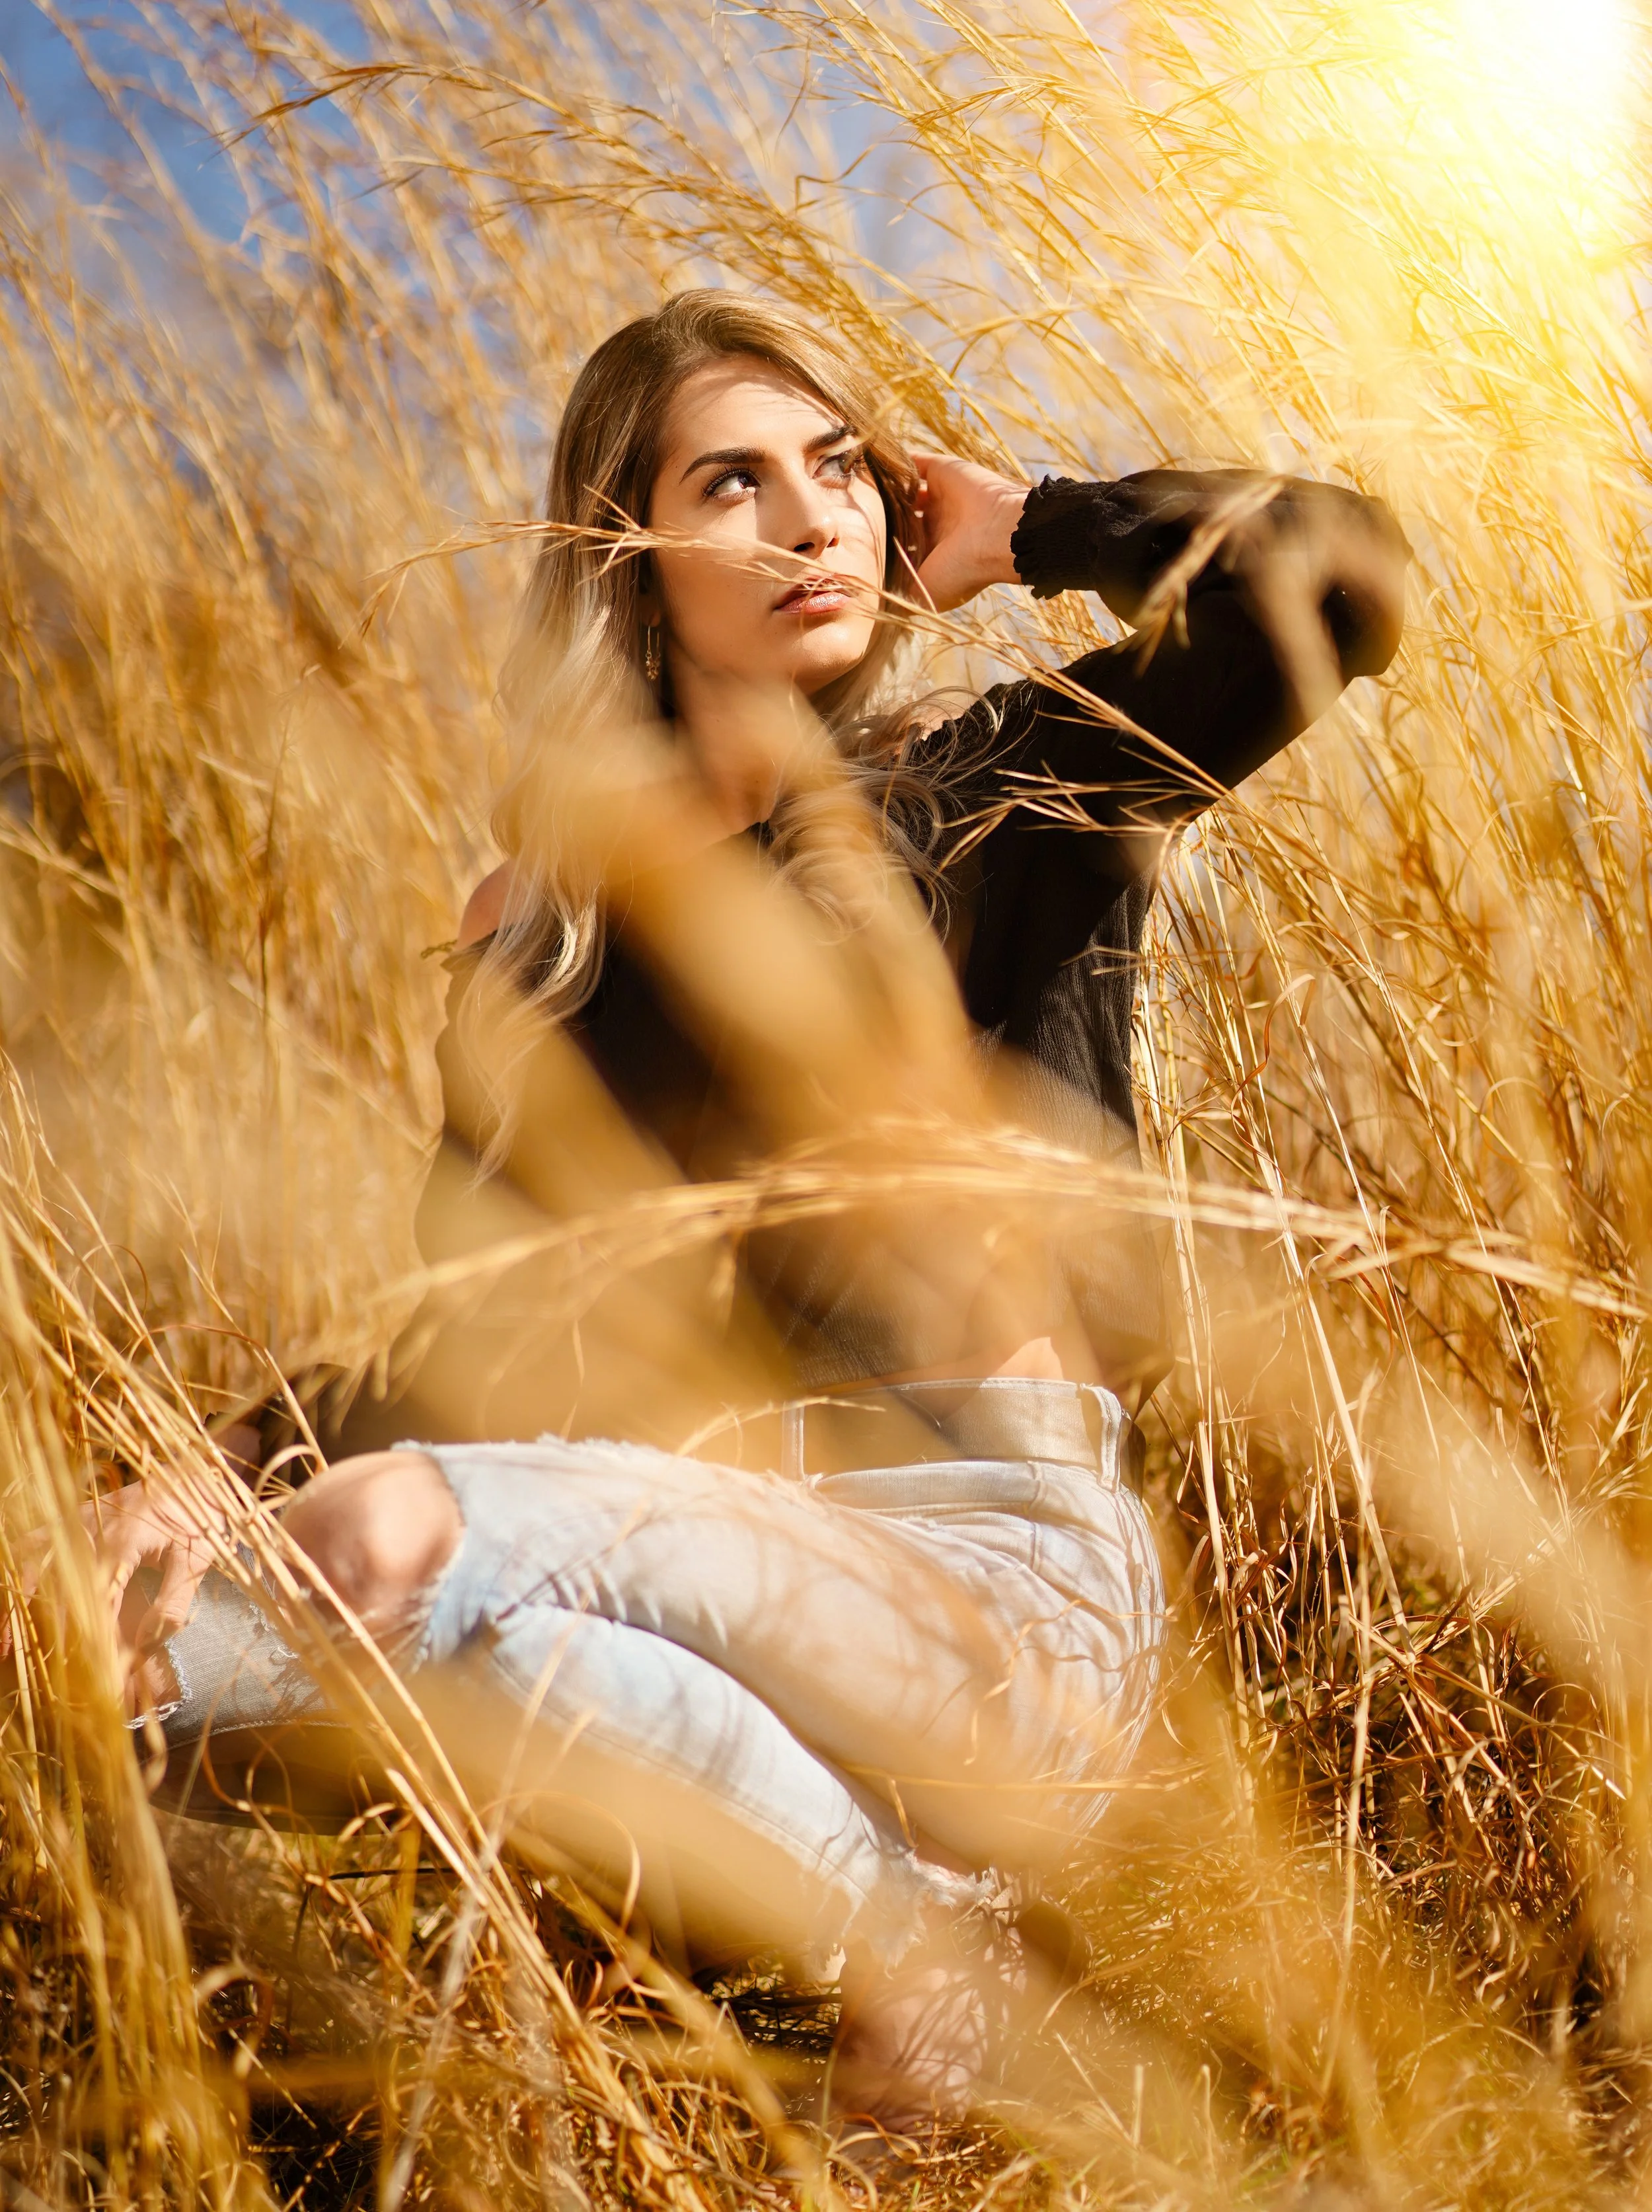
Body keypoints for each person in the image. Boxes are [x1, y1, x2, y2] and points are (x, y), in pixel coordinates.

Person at [66, 293, 1408, 2148]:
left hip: (998, 1602)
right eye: (735, 484)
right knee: (117, 1661)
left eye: (837, 472)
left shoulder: (999, 785)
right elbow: (449, 1337)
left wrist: (1037, 526)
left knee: (390, 1542)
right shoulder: (538, 945)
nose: (810, 521)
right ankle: (910, 1953)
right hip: (672, 1612)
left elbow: (1331, 585)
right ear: (621, 550)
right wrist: (203, 1475)